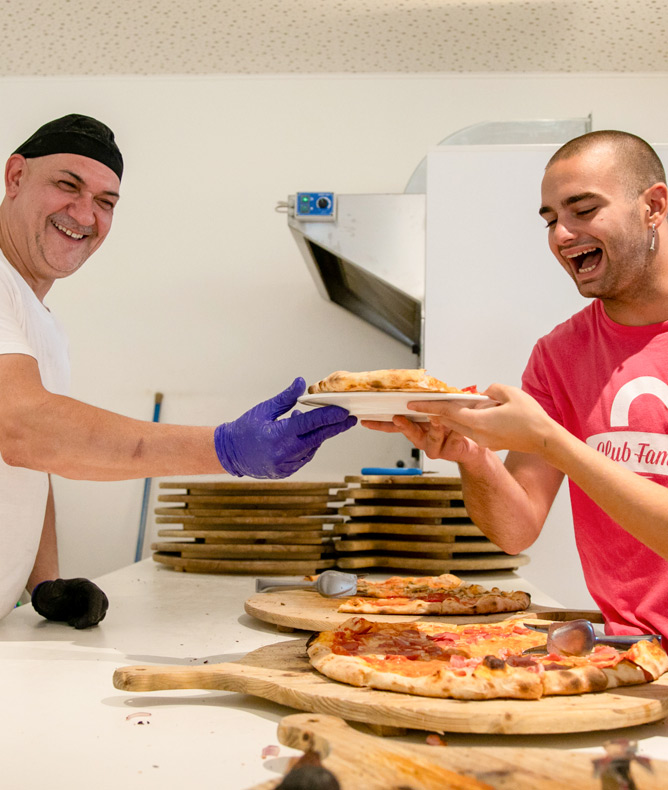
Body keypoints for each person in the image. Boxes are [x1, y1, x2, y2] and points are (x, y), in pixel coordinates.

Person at [0, 114, 356, 628]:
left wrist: (45, 585)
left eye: (106, 202)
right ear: (15, 177)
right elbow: (26, 431)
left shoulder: (40, 322)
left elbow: (33, 461)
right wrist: (224, 448)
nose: (84, 213)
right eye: (66, 185)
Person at [364, 130, 668, 643]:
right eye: (550, 219)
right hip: (636, 650)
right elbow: (515, 529)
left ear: (654, 206)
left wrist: (549, 439)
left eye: (583, 209)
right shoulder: (559, 354)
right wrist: (471, 455)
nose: (562, 234)